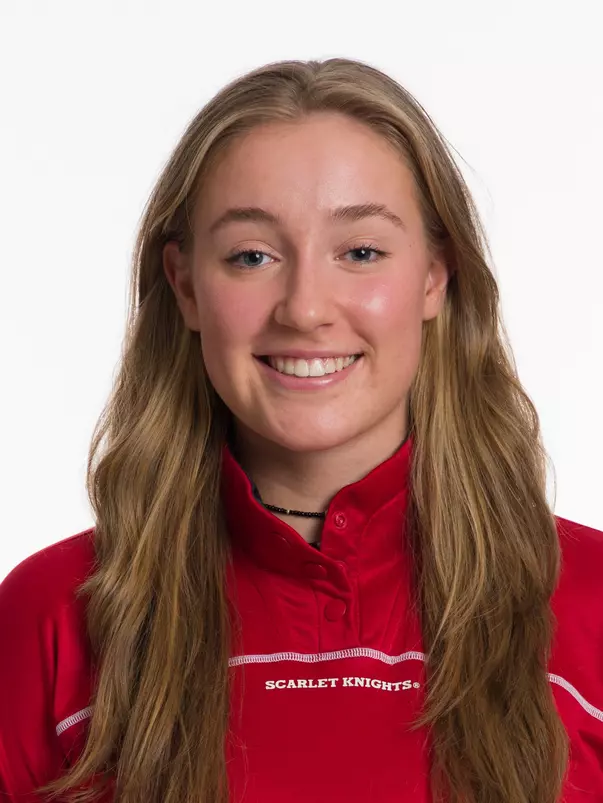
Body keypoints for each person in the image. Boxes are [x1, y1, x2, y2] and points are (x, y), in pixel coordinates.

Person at [0, 57, 601, 803]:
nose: (305, 307)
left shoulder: (589, 604)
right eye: (251, 255)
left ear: (434, 277)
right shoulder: (54, 615)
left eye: (360, 252)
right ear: (186, 285)